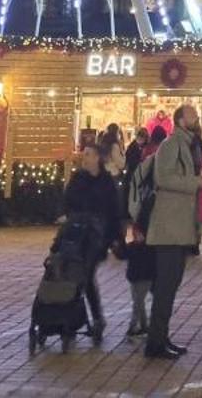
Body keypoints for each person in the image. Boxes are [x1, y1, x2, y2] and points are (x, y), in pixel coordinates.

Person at [144, 103, 202, 360]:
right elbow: (163, 178)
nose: (197, 117)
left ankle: (161, 337)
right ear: (181, 120)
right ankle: (155, 342)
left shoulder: (189, 145)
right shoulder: (171, 144)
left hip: (180, 225)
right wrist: (196, 183)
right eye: (192, 114)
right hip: (169, 226)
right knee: (166, 286)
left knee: (170, 286)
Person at [63, 141, 121, 341]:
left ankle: (94, 318)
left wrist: (115, 239)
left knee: (86, 275)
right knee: (77, 276)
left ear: (98, 158)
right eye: (84, 154)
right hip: (77, 234)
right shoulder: (78, 178)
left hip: (98, 237)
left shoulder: (106, 182)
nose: (84, 158)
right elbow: (68, 201)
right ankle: (75, 318)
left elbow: (114, 211)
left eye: (88, 154)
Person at [122, 130, 159, 340]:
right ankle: (140, 321)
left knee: (139, 282)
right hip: (145, 237)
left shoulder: (138, 179)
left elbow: (130, 209)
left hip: (139, 236)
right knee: (143, 282)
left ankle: (138, 321)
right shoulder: (151, 188)